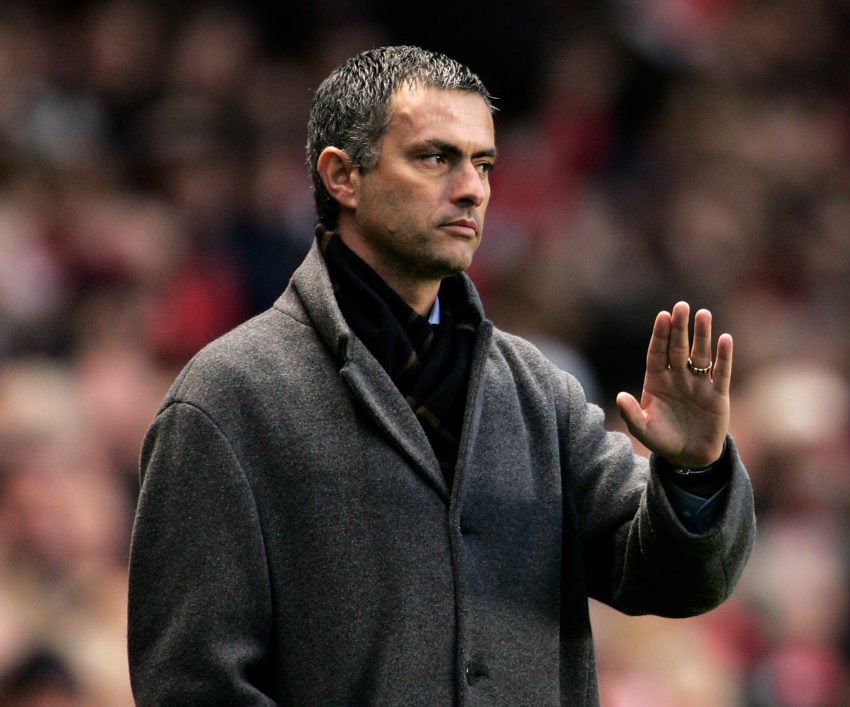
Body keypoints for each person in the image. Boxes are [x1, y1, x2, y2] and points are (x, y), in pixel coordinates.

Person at [126, 45, 756, 705]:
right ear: (342, 176)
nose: (473, 189)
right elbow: (192, 684)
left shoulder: (540, 394)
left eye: (483, 164)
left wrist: (691, 472)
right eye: (435, 157)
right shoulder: (226, 397)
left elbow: (674, 580)